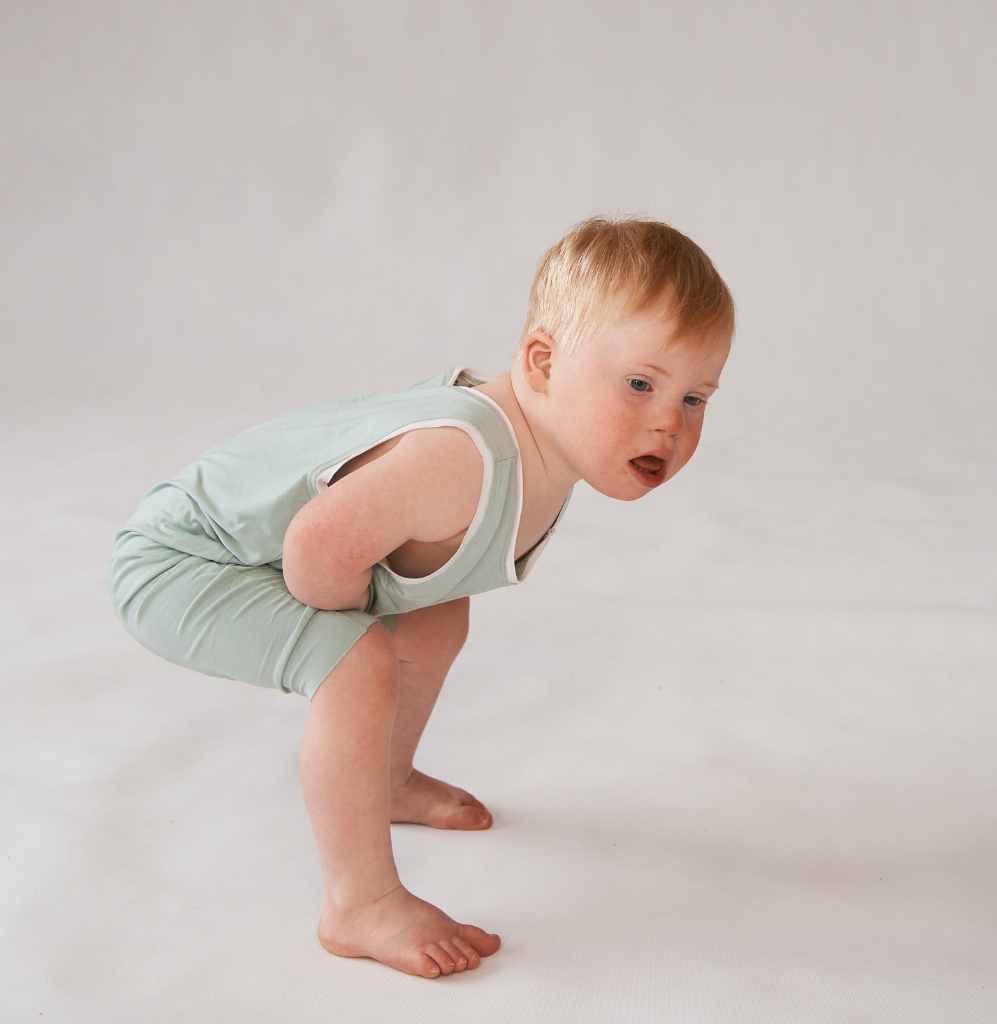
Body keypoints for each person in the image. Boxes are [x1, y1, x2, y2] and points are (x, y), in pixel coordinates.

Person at [109, 215, 735, 979]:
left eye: (696, 398)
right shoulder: (464, 458)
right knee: (358, 666)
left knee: (439, 612)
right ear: (543, 363)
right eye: (640, 384)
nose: (669, 422)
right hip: (183, 560)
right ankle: (360, 903)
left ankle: (386, 780)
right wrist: (352, 655)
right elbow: (314, 548)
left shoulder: (554, 446)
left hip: (276, 550)